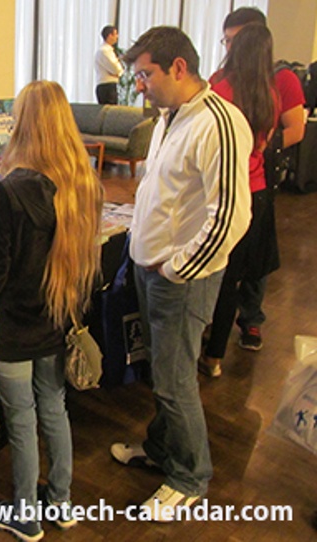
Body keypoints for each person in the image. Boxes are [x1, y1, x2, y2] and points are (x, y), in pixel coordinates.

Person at [109, 27, 252, 521]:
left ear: (178, 68)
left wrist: (176, 266)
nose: (140, 85)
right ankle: (161, 448)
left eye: (145, 74)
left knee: (175, 382)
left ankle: (190, 478)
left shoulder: (220, 122)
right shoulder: (173, 117)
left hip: (182, 278)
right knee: (161, 374)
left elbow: (231, 214)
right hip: (153, 271)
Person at [0, 80, 103, 541]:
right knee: (54, 407)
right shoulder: (83, 185)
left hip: (13, 330)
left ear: (22, 125)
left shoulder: (9, 193)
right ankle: (61, 501)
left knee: (21, 418)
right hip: (56, 322)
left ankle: (25, 513)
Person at [219, 7, 306, 351]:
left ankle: (251, 319)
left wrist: (257, 149)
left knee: (257, 256)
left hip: (258, 179)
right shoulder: (222, 77)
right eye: (226, 41)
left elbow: (295, 129)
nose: (230, 48)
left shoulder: (281, 79)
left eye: (235, 40)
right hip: (227, 179)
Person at [199, 24, 280, 378]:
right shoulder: (270, 93)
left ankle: (203, 347)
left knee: (215, 275)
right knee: (236, 279)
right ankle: (216, 357)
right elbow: (264, 146)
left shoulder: (221, 87)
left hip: (225, 191)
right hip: (257, 192)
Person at [95, 25, 125, 104]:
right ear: (109, 35)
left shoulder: (107, 50)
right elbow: (116, 69)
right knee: (110, 112)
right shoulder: (105, 51)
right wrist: (119, 72)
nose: (117, 37)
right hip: (107, 86)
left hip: (107, 85)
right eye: (115, 34)